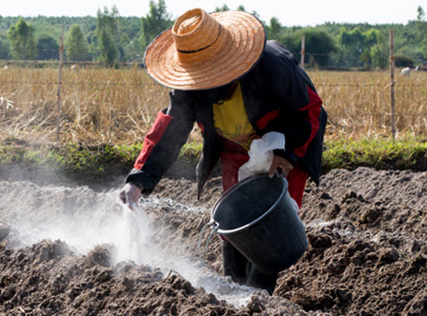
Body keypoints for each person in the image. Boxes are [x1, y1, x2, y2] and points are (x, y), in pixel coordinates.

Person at [118, 8, 326, 294]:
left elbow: (308, 112)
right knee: (235, 224)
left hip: (286, 144)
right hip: (235, 151)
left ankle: (258, 301)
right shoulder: (188, 87)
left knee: (269, 228)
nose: (205, 83)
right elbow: (170, 130)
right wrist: (138, 180)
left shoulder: (273, 66)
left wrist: (287, 155)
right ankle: (234, 295)